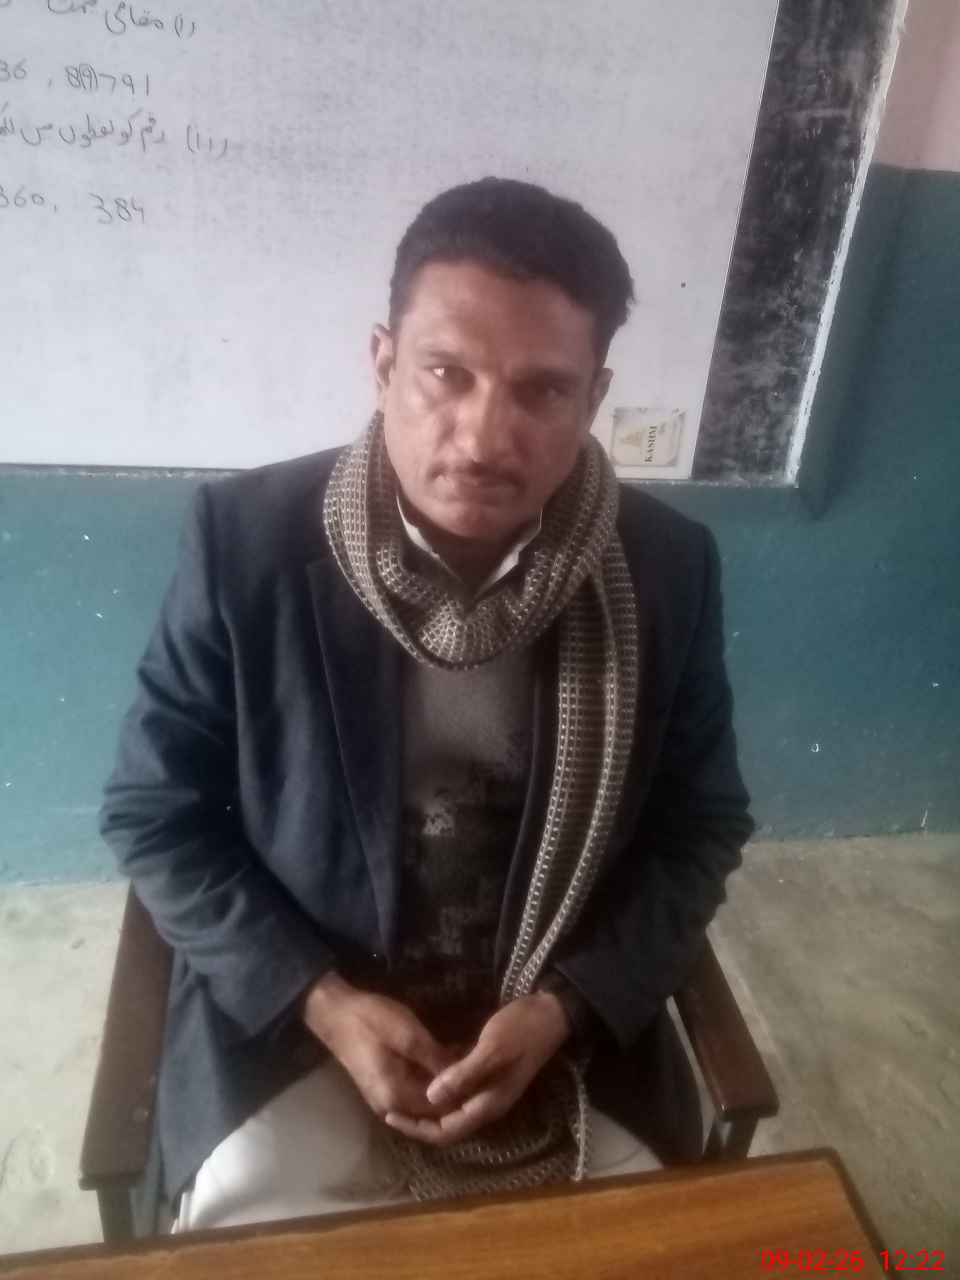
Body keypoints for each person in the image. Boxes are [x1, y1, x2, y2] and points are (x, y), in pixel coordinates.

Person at [100, 177, 754, 1232]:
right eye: (447, 373)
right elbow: (155, 812)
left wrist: (567, 1006)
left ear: (593, 399)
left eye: (542, 391)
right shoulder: (246, 543)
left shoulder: (665, 570)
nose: (485, 436)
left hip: (560, 1020)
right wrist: (324, 1002)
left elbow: (699, 826)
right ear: (383, 362)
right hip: (300, 1019)